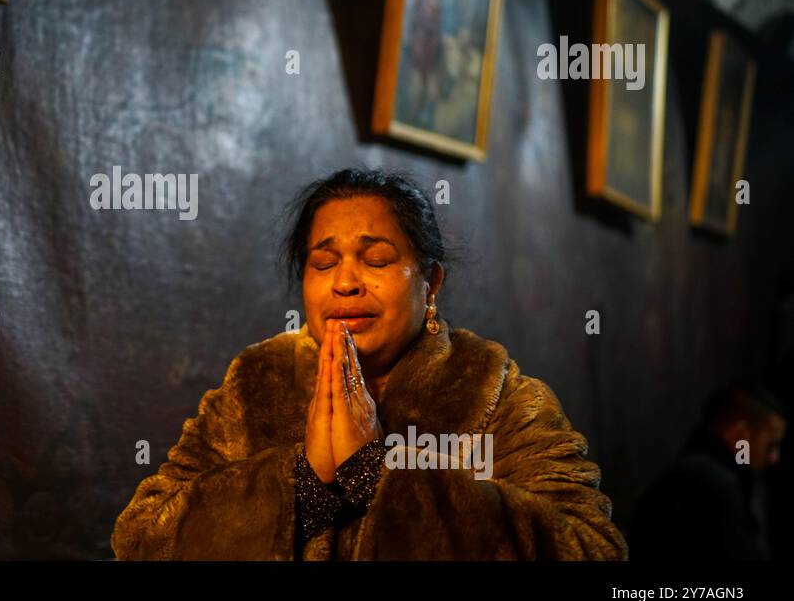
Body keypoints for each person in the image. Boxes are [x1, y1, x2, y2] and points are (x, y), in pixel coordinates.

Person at [110, 167, 627, 560]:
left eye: (376, 260)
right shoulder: (254, 382)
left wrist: (377, 474)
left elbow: (590, 546)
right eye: (323, 263)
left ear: (432, 284)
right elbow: (141, 535)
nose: (346, 282)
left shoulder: (499, 395)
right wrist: (302, 484)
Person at [630, 384, 786, 560]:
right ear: (741, 436)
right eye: (770, 445)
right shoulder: (712, 485)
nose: (774, 457)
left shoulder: (700, 475)